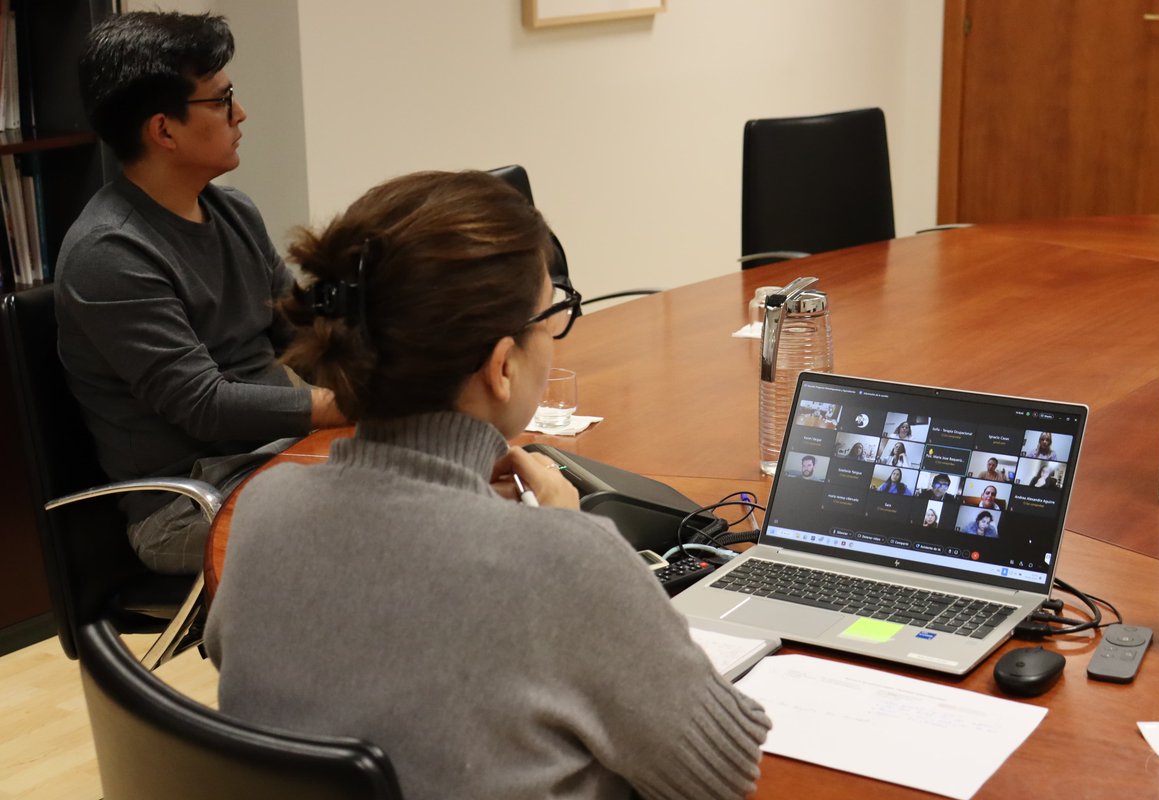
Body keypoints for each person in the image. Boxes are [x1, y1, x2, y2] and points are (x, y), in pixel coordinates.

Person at [205, 171, 770, 799]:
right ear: (502, 368)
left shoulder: (265, 507)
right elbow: (722, 774)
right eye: (552, 315)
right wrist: (574, 531)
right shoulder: (564, 559)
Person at [55, 12, 348, 575]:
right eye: (221, 100)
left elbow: (304, 333)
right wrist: (346, 406)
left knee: (433, 475)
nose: (241, 113)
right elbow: (206, 407)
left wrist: (393, 374)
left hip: (276, 464)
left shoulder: (233, 210)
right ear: (163, 131)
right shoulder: (109, 254)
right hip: (185, 504)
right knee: (383, 526)